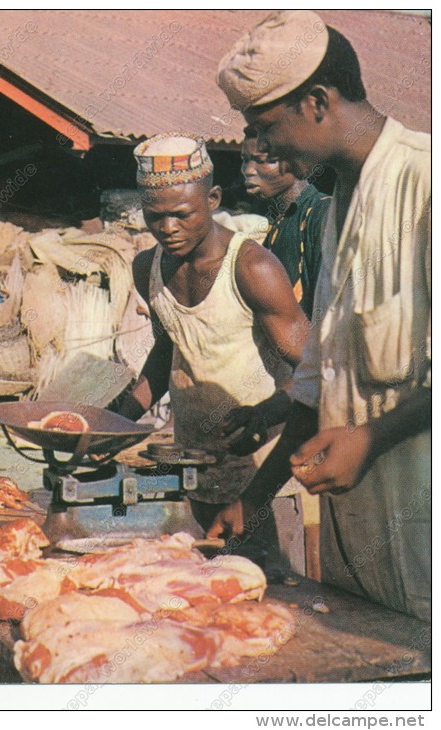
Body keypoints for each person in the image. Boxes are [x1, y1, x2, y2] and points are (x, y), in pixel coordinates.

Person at [212, 11, 431, 621]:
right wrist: (256, 498)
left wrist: (373, 437)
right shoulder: (339, 199)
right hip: (355, 555)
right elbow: (316, 378)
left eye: (263, 127)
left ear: (315, 101)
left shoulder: (427, 182)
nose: (258, 149)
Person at [114, 134, 309, 569]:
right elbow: (169, 350)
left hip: (264, 480)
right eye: (155, 217)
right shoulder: (148, 267)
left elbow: (316, 369)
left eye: (181, 214)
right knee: (210, 599)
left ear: (214, 199)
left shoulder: (252, 268)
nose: (168, 229)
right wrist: (113, 424)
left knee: (272, 598)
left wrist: (265, 412)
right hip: (197, 471)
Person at [241, 131, 330, 320]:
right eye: (245, 159)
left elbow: (330, 300)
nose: (248, 170)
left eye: (261, 160)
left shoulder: (321, 214)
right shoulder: (277, 224)